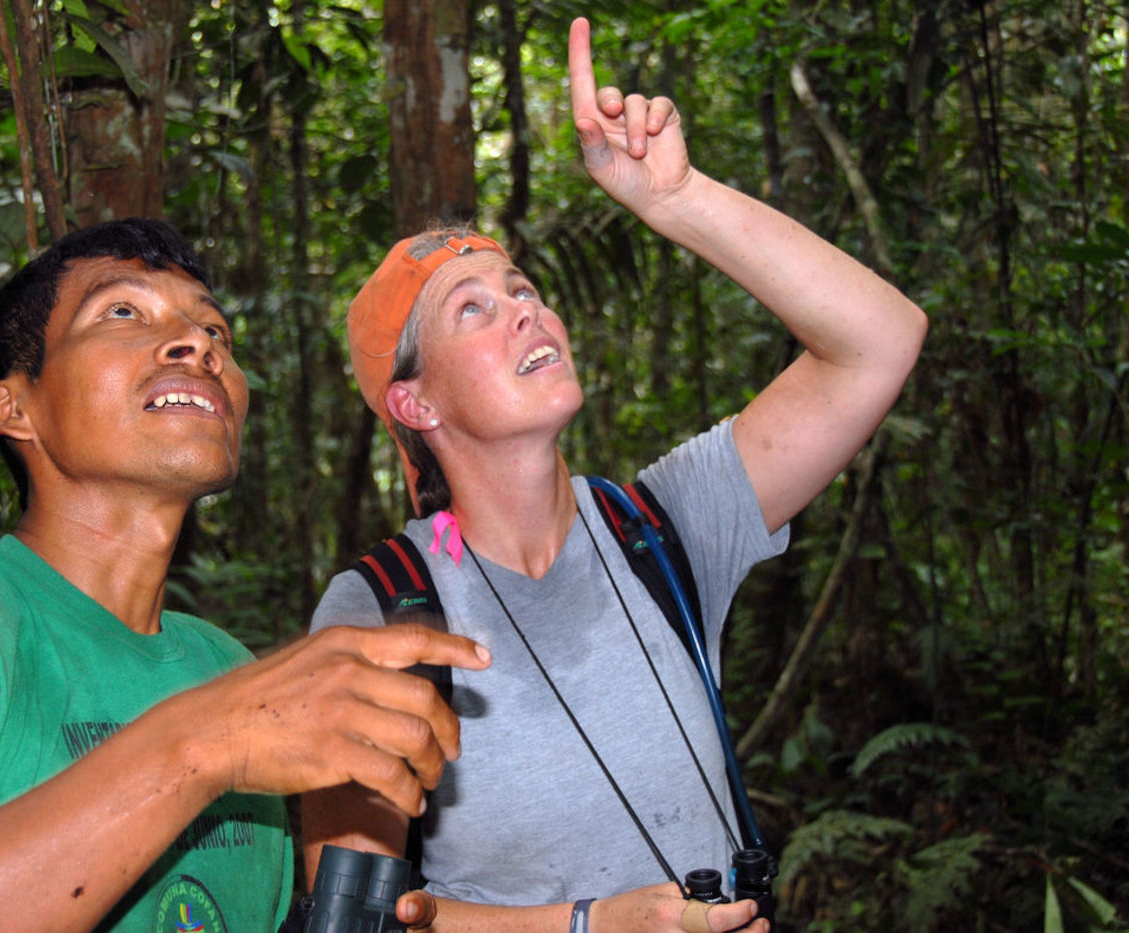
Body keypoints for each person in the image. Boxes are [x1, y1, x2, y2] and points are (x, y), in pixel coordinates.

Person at [301, 16, 927, 933]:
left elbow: (881, 341)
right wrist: (592, 925)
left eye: (523, 290)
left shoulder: (661, 529)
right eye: (472, 309)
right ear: (416, 405)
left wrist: (676, 198)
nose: (524, 312)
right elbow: (349, 917)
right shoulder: (384, 608)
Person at [0, 218, 491, 932]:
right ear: (13, 406)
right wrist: (203, 743)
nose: (196, 346)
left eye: (216, 332)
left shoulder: (221, 665)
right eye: (123, 312)